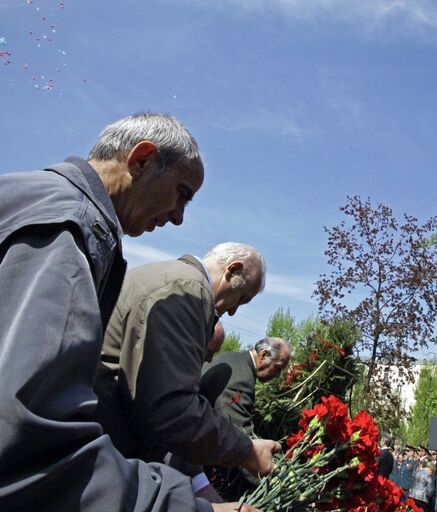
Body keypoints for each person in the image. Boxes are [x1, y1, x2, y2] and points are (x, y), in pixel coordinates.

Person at [0, 113, 255, 510]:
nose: (179, 216)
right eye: (182, 193)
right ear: (141, 160)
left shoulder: (34, 197)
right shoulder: (68, 230)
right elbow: (28, 441)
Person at [95, 242, 280, 496]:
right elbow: (172, 409)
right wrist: (246, 450)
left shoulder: (162, 275)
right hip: (108, 461)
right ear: (232, 270)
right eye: (241, 298)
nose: (235, 311)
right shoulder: (189, 290)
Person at [202, 337, 292, 500]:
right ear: (264, 354)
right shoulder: (242, 380)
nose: (278, 375)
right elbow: (240, 438)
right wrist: (278, 487)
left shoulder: (233, 358)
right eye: (278, 368)